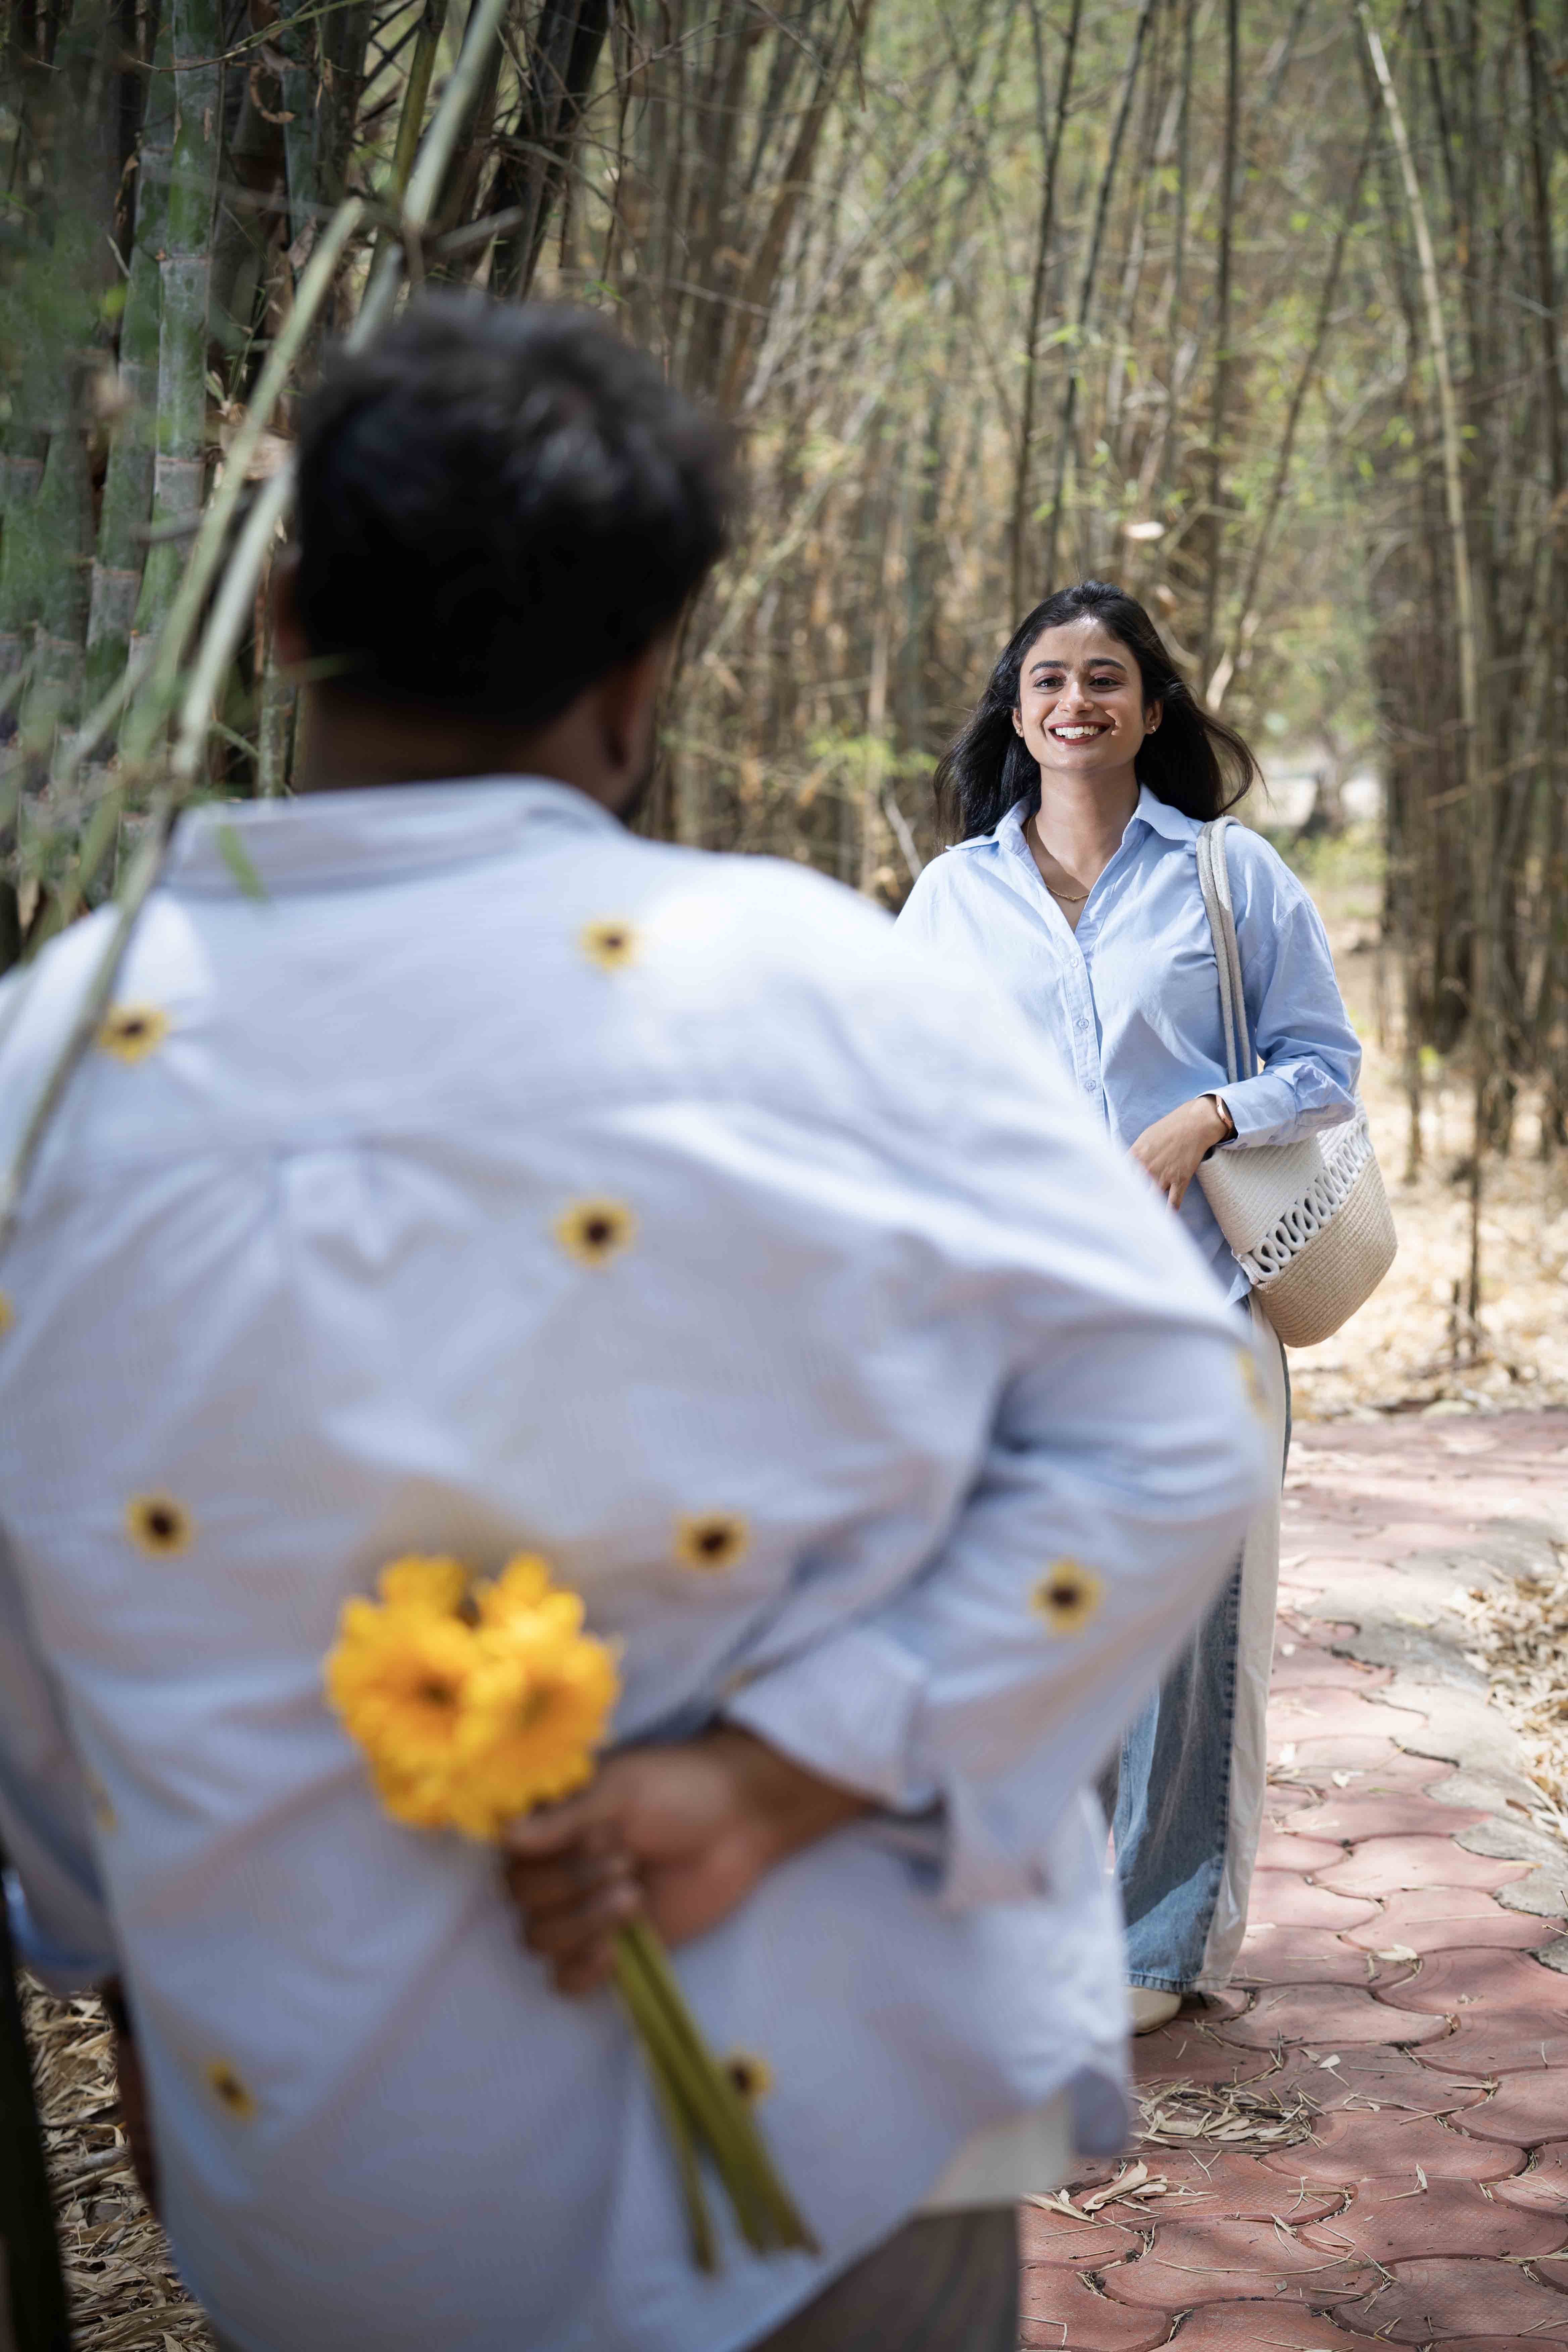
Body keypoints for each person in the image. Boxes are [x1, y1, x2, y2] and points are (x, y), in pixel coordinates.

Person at [0, 309, 1269, 2352]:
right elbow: (1174, 1413)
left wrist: (137, 1947)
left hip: (321, 2161)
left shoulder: (51, 1066)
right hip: (829, 2169)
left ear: (283, 613)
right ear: (646, 671)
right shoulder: (793, 986)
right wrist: (777, 1783)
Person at [897, 582, 1362, 2029]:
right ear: (1017, 711)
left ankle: (1156, 1947)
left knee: (1190, 1640)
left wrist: (1202, 1118)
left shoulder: (1230, 877)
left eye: (1106, 678)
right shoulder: (951, 899)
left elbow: (1324, 1062)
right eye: (1049, 679)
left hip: (1200, 1311)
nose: (1076, 701)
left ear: (1151, 711)